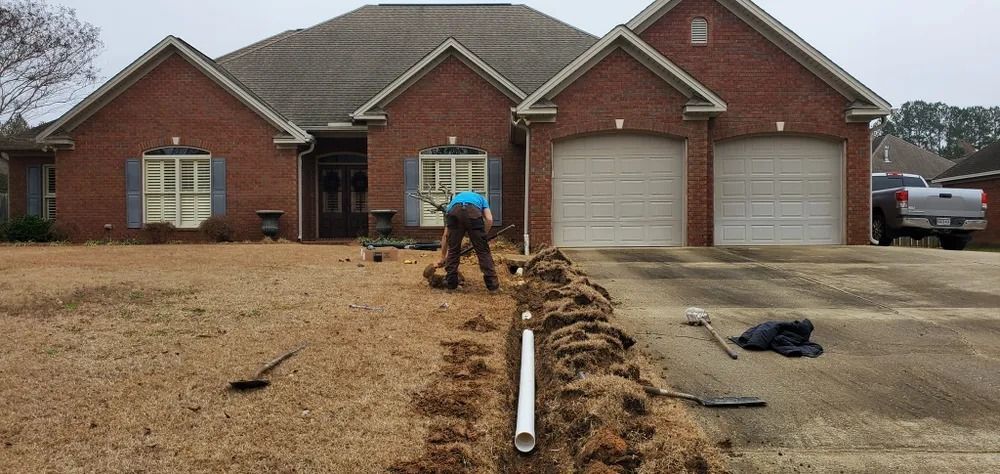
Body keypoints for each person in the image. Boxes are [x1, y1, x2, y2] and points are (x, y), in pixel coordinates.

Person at [435, 191, 499, 291]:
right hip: (473, 213)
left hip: (454, 214)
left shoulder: (452, 204)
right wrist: (482, 236)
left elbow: (446, 235)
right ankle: (493, 286)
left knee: (453, 250)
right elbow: (489, 220)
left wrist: (442, 257)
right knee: (483, 252)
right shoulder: (481, 199)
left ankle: (451, 284)